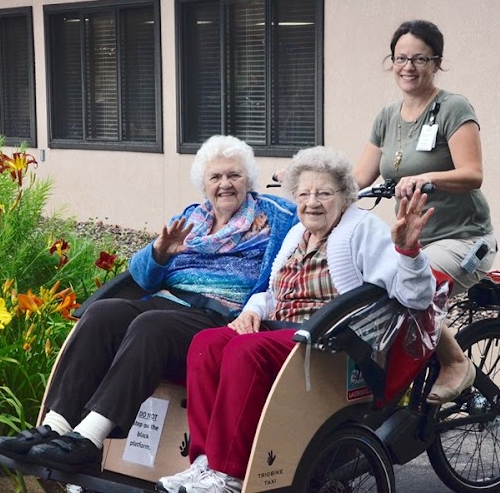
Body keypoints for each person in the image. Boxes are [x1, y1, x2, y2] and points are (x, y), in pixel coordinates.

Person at [0, 135, 296, 471]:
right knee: (102, 313)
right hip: (167, 303)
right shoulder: (192, 218)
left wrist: (305, 181)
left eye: (234, 176)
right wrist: (159, 253)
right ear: (204, 185)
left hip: (217, 318)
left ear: (248, 179)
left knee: (151, 326)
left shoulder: (276, 216)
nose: (225, 184)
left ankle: (90, 439)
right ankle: (55, 426)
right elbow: (142, 278)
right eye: (215, 177)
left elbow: (316, 210)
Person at [156, 146, 436, 493]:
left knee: (245, 351)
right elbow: (272, 291)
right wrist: (252, 311)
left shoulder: (362, 229)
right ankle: (206, 463)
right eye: (304, 194)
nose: (312, 202)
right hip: (283, 333)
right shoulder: (296, 234)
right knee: (208, 343)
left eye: (324, 193)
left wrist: (409, 253)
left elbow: (415, 296)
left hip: (329, 340)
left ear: (345, 195)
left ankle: (228, 475)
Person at [353, 19, 496, 404]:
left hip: (464, 237)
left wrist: (426, 176)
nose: (408, 67)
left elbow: (473, 174)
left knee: (415, 287)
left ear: (437, 62)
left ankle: (456, 363)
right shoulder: (387, 116)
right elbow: (358, 178)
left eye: (419, 58)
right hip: (412, 239)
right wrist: (309, 181)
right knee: (369, 287)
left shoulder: (453, 107)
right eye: (401, 58)